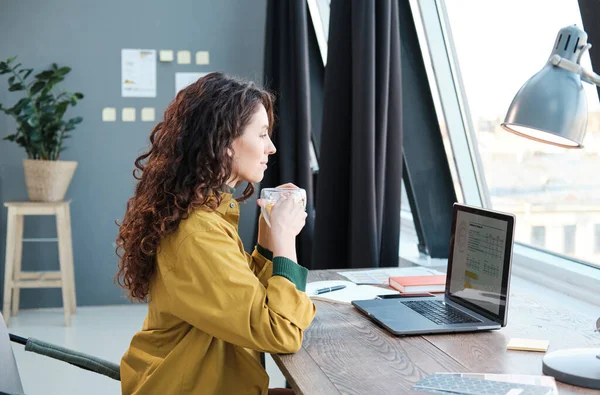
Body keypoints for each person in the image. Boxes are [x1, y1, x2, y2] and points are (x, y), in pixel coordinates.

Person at [115, 72, 316, 395]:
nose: (272, 147)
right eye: (262, 134)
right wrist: (284, 239)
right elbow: (281, 331)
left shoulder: (207, 213)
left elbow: (242, 295)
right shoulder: (197, 232)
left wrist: (267, 237)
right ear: (225, 143)